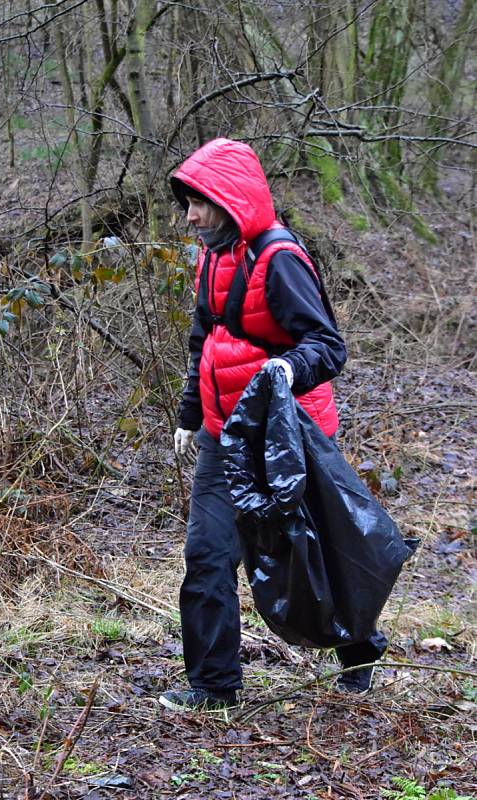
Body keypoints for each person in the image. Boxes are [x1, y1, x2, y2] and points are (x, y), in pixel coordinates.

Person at [159, 138, 386, 712]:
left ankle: (358, 653)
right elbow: (204, 341)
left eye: (199, 203)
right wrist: (191, 414)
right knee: (208, 554)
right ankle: (214, 688)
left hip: (290, 438)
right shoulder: (212, 256)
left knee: (316, 552)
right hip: (222, 434)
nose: (189, 217)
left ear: (230, 200)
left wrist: (287, 365)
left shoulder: (280, 258)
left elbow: (328, 347)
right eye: (186, 203)